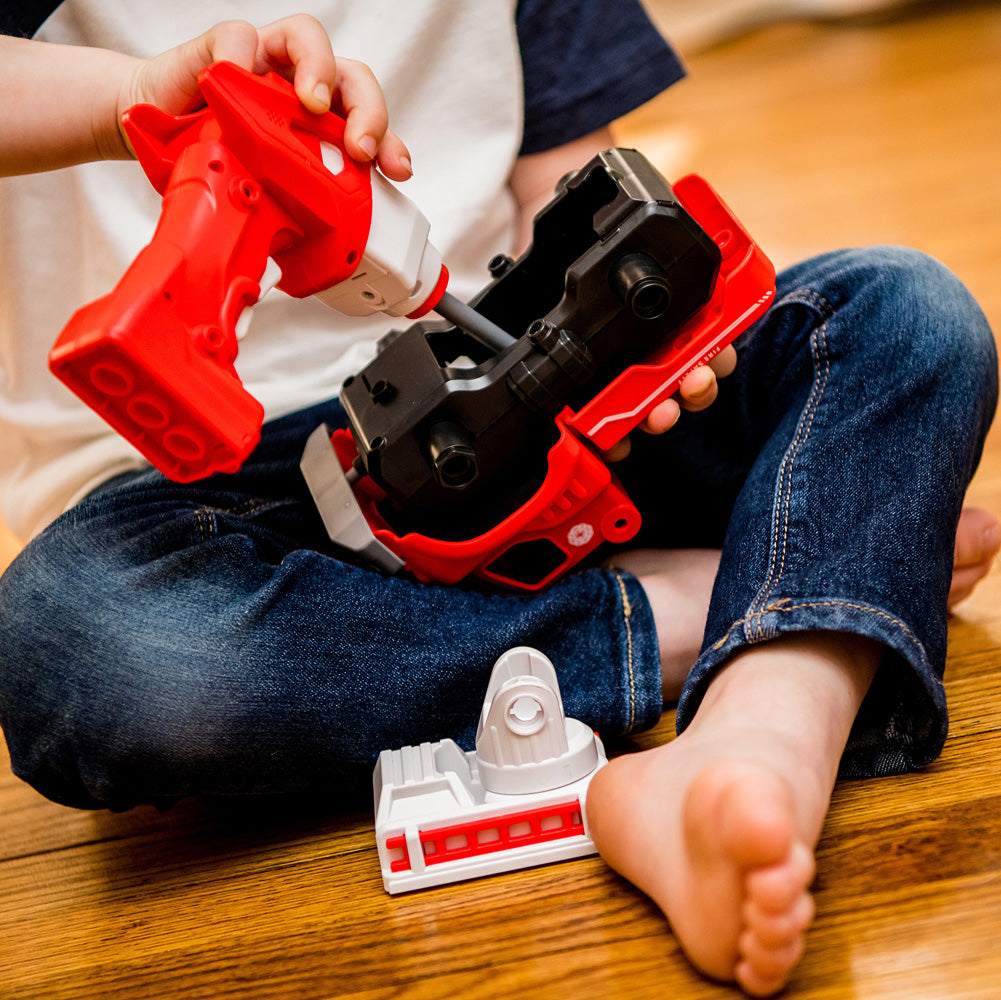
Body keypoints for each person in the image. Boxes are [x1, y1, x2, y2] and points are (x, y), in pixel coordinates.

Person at [0, 3, 997, 996]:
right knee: (72, 642)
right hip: (204, 491)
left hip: (509, 405)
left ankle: (759, 730)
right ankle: (731, 593)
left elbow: (572, 201)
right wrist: (133, 101)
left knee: (903, 315)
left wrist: (617, 370)